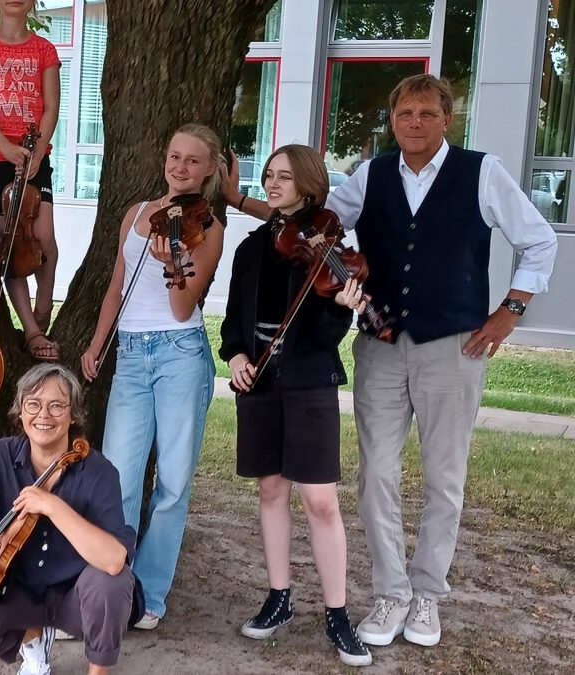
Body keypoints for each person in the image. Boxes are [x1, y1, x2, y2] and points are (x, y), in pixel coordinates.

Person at [227, 74, 558, 648]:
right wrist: (238, 200)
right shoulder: (372, 175)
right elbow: (308, 223)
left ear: (445, 119)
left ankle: (427, 595)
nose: (414, 123)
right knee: (375, 474)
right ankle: (390, 593)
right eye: (404, 113)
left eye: (426, 114)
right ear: (393, 118)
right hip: (379, 347)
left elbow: (540, 240)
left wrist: (510, 310)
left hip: (452, 345)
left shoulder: (481, 172)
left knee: (443, 476)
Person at [219, 144, 371, 667]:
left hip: (308, 381)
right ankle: (279, 597)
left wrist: (345, 310)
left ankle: (337, 612)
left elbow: (325, 335)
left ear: (308, 184)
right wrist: (236, 354)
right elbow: (235, 318)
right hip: (258, 379)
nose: (272, 184)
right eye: (268, 176)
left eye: (284, 177)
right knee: (270, 488)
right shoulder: (252, 246)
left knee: (321, 500)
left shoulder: (329, 248)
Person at [80, 123, 225, 629]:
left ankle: (151, 593)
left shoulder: (208, 227)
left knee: (173, 480)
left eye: (192, 161)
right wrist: (98, 345)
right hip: (130, 353)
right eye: (174, 156)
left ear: (209, 170)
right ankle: (112, 584)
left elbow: (184, 309)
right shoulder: (136, 213)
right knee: (117, 475)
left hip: (179, 353)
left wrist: (174, 265)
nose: (180, 167)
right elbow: (115, 289)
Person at [0, 363, 135, 675]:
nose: (44, 414)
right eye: (33, 404)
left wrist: (51, 505)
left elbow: (114, 560)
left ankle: (98, 670)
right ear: (20, 411)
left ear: (73, 415)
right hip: (18, 595)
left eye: (57, 405)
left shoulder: (98, 472)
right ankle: (33, 639)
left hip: (76, 599)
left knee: (111, 583)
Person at [0, 0, 61, 360]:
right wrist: (5, 148)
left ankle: (45, 304)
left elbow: (51, 106)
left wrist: (38, 154)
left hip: (34, 158)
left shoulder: (44, 49)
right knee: (13, 247)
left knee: (44, 237)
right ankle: (32, 330)